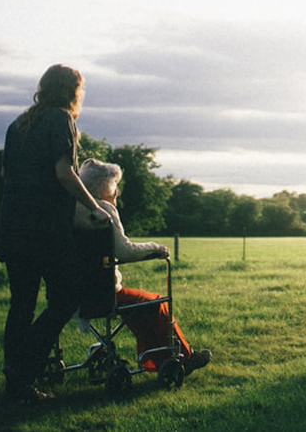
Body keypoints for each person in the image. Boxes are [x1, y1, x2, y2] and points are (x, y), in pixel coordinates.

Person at [0, 64, 110, 402]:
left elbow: (6, 173)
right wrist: (94, 206)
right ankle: (23, 370)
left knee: (22, 306)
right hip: (44, 231)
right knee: (66, 299)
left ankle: (16, 383)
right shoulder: (62, 120)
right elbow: (65, 173)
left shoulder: (19, 124)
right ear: (73, 90)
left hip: (12, 227)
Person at [73, 159, 212, 374]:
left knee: (139, 305)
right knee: (155, 302)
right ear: (102, 186)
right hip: (103, 293)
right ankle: (184, 357)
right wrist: (156, 248)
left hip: (74, 293)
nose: (117, 191)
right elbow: (125, 251)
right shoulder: (104, 210)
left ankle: (156, 360)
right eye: (114, 184)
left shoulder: (73, 209)